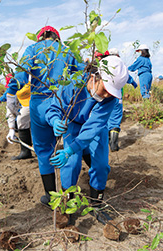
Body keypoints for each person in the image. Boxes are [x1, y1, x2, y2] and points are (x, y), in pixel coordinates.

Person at [45, 55, 129, 224]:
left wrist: (69, 150)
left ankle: (97, 205)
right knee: (71, 163)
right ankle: (67, 205)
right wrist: (55, 120)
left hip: (96, 128)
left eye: (110, 92)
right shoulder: (71, 84)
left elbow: (94, 126)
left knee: (101, 164)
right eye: (105, 89)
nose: (106, 95)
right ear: (93, 77)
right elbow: (53, 107)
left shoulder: (110, 98)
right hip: (72, 125)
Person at [5, 26, 82, 207]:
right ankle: (69, 197)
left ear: (40, 37)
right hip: (63, 102)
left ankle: (51, 197)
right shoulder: (66, 50)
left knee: (43, 150)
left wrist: (10, 93)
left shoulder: (32, 50)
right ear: (57, 37)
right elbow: (80, 74)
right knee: (69, 147)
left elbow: (22, 76)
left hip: (39, 104)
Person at [107, 48, 138, 152]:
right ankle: (114, 145)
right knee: (115, 120)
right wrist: (133, 83)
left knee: (106, 118)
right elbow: (127, 76)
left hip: (105, 96)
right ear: (118, 55)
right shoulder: (120, 63)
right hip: (117, 97)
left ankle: (107, 141)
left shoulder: (104, 63)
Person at [0, 74, 33, 160]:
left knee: (23, 120)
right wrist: (11, 129)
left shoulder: (29, 80)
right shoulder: (13, 89)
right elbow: (7, 95)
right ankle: (26, 151)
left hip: (34, 103)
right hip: (24, 106)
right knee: (20, 121)